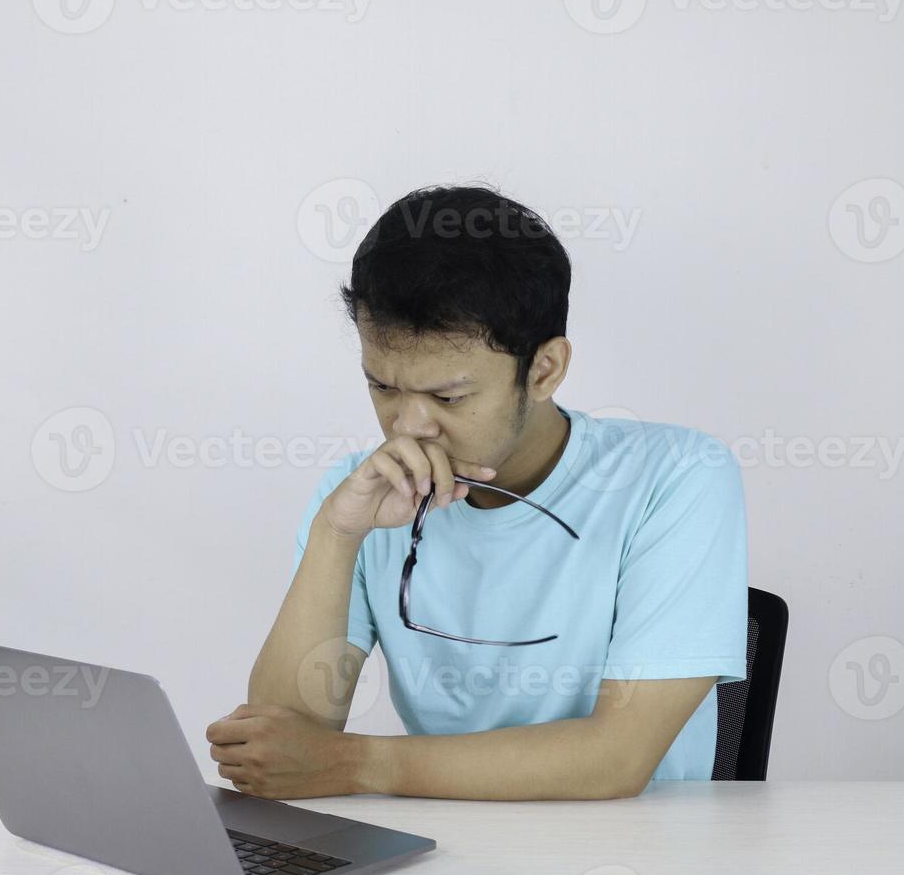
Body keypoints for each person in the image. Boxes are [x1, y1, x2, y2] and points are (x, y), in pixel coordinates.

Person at [206, 184, 748, 800]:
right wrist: (336, 537)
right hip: (442, 851)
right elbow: (282, 748)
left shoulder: (676, 476)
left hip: (634, 864)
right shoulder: (362, 493)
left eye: (448, 397)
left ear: (544, 370)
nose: (408, 426)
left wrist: (361, 765)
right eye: (382, 387)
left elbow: (615, 760)